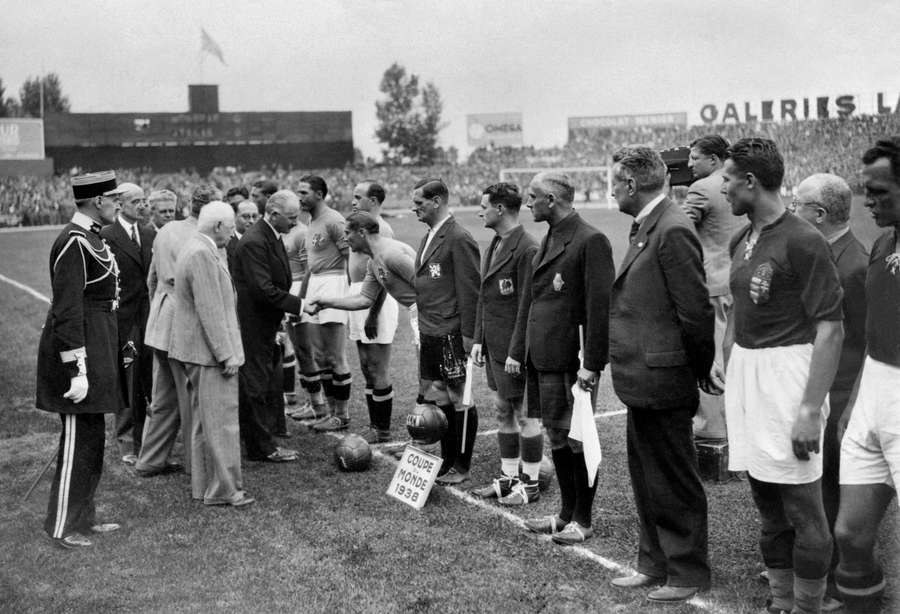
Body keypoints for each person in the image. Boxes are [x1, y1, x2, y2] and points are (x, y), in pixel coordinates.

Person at [722, 138, 844, 614]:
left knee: (802, 510)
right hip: (749, 375)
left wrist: (810, 410)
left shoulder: (803, 240)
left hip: (788, 377)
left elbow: (831, 329)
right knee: (767, 504)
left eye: (728, 179)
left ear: (750, 181)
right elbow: (738, 302)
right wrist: (727, 351)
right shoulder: (743, 236)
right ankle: (780, 600)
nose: (724, 188)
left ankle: (808, 606)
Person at [606, 147, 716, 602]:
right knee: (646, 476)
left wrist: (698, 368)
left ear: (631, 185)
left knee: (672, 478)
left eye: (615, 182)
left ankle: (687, 571)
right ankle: (654, 563)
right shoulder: (651, 224)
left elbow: (695, 310)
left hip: (664, 377)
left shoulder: (672, 228)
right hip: (643, 378)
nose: (612, 189)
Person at [520, 172, 614, 543]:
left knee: (577, 438)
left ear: (552, 200)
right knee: (557, 435)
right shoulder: (550, 237)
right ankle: (564, 513)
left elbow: (599, 309)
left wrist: (592, 364)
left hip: (572, 360)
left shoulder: (590, 240)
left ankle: (584, 520)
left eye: (532, 198)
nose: (528, 204)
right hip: (544, 355)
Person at [791, 173, 868, 610]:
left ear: (818, 214)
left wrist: (850, 402)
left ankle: (837, 583)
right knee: (812, 484)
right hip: (815, 384)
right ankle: (812, 566)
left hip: (840, 392)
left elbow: (863, 340)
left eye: (798, 203)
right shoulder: (821, 253)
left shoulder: (854, 264)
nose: (791, 209)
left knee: (834, 489)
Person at [35, 170, 122, 549]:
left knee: (92, 440)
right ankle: (60, 527)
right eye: (114, 197)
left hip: (97, 344)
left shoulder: (91, 238)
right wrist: (77, 370)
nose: (118, 203)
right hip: (78, 352)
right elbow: (67, 310)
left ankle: (83, 518)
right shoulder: (73, 241)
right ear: (97, 201)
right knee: (76, 440)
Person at [834, 137, 900, 614]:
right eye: (864, 190)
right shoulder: (882, 242)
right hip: (874, 390)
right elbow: (874, 332)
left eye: (879, 191)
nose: (868, 201)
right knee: (849, 535)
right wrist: (858, 400)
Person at [306, 212, 418, 442]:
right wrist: (325, 302)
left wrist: (429, 319)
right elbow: (364, 299)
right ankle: (392, 434)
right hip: (421, 316)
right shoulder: (373, 260)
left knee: (432, 382)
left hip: (430, 316)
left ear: (362, 232)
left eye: (348, 233)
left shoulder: (392, 254)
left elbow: (427, 287)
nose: (345, 239)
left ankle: (422, 442)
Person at [169, 201, 254, 507]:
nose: (233, 235)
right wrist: (226, 355)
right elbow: (211, 311)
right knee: (222, 423)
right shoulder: (203, 253)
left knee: (203, 423)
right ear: (218, 226)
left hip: (195, 351)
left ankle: (204, 485)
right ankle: (225, 490)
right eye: (231, 228)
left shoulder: (196, 246)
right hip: (209, 354)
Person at [136, 186, 219, 478]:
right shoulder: (205, 237)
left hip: (160, 320)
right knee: (192, 398)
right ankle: (198, 468)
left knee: (164, 397)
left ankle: (150, 460)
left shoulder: (167, 229)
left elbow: (152, 279)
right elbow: (200, 289)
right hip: (183, 320)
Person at [469, 183, 542, 505]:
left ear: (500, 209)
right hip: (495, 345)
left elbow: (530, 306)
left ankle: (531, 483)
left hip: (516, 349)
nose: (479, 211)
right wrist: (478, 339)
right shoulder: (496, 243)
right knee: (503, 410)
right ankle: (508, 476)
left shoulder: (527, 248)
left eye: (483, 206)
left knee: (526, 413)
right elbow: (485, 298)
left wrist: (517, 351)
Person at [411, 178, 480, 485]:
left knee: (459, 397)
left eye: (419, 203)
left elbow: (471, 291)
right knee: (440, 397)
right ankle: (449, 459)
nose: (415, 208)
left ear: (436, 201)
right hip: (430, 331)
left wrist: (468, 338)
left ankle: (462, 466)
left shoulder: (459, 238)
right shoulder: (429, 236)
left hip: (451, 332)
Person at [233, 189, 303, 462]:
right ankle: (261, 447)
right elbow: (263, 289)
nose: (295, 223)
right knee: (255, 384)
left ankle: (263, 441)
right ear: (273, 214)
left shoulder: (270, 235)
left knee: (263, 382)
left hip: (267, 320)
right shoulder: (255, 241)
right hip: (254, 323)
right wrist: (299, 304)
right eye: (291, 218)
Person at [683, 134, 741, 440]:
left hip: (712, 284)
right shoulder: (741, 182)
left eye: (695, 157)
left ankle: (712, 433)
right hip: (739, 278)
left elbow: (678, 233)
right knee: (736, 357)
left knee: (712, 359)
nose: (690, 164)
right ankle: (738, 428)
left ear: (714, 160)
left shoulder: (702, 188)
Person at [100, 182, 155, 465]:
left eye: (144, 200)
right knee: (128, 378)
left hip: (150, 318)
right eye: (136, 201)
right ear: (120, 204)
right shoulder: (107, 236)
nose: (143, 205)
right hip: (124, 321)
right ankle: (126, 442)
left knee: (150, 377)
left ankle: (148, 439)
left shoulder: (148, 233)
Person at [298, 175, 353, 432]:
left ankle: (341, 414)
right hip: (316, 285)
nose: (299, 197)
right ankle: (330, 413)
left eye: (304, 192)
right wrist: (302, 296)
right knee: (319, 356)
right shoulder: (311, 221)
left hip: (333, 283)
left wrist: (349, 295)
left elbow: (350, 256)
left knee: (335, 355)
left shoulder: (333, 220)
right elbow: (311, 264)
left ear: (319, 194)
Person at [347, 181, 399, 443]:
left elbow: (384, 277)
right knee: (366, 366)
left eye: (359, 197)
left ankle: (383, 429)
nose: (353, 200)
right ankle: (374, 424)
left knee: (378, 367)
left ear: (374, 201)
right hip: (358, 296)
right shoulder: (358, 226)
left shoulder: (382, 230)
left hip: (375, 301)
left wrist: (372, 313)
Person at [226, 200, 260, 273]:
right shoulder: (227, 244)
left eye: (254, 216)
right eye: (245, 216)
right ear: (234, 217)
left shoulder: (263, 243)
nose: (251, 221)